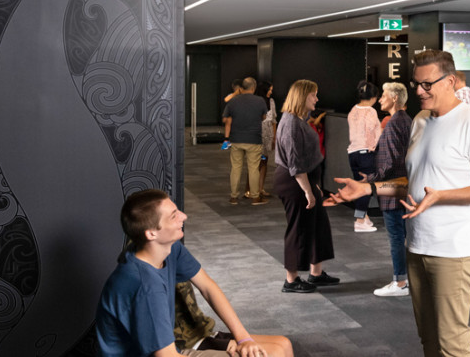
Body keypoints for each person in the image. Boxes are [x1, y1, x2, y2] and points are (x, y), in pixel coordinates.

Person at [325, 50, 470, 357]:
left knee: (453, 345)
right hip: (417, 245)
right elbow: (412, 184)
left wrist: (441, 195)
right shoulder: (420, 120)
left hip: (453, 250)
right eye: (416, 83)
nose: (419, 91)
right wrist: (366, 188)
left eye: (427, 84)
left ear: (449, 81)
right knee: (429, 340)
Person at [95, 188, 293, 357]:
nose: (184, 216)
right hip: (168, 353)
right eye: (174, 216)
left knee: (283, 344)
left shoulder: (167, 250)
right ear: (151, 233)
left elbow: (208, 287)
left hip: (171, 349)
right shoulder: (146, 287)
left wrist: (244, 339)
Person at [274, 80, 339, 294]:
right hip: (295, 183)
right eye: (314, 95)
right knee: (299, 229)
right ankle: (291, 280)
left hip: (305, 180)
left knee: (318, 225)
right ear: (303, 97)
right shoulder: (291, 122)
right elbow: (295, 163)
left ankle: (316, 273)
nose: (317, 99)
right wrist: (308, 191)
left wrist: (314, 185)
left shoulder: (298, 120)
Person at [369, 81, 414, 297]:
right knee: (403, 235)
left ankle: (400, 283)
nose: (379, 99)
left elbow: (394, 160)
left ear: (395, 98)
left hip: (393, 187)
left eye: (383, 95)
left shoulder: (397, 122)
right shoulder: (403, 120)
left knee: (396, 236)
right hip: (399, 185)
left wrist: (371, 180)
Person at [223, 77, 269, 205]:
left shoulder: (233, 101)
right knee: (253, 168)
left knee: (236, 168)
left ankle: (233, 197)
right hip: (254, 139)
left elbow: (226, 117)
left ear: (242, 87)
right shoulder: (260, 101)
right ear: (253, 88)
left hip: (236, 139)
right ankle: (255, 197)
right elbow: (264, 117)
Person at [347, 80, 382, 233]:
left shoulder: (353, 110)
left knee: (360, 187)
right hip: (365, 154)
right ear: (374, 97)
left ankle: (364, 217)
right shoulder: (370, 111)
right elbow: (371, 131)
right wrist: (373, 147)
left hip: (353, 153)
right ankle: (360, 220)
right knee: (365, 188)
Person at [257, 84, 277, 203]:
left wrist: (274, 137)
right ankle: (253, 189)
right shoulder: (258, 101)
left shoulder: (271, 101)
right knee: (256, 161)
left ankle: (260, 188)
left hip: (268, 135)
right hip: (258, 133)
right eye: (269, 89)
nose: (270, 92)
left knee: (264, 161)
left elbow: (274, 119)